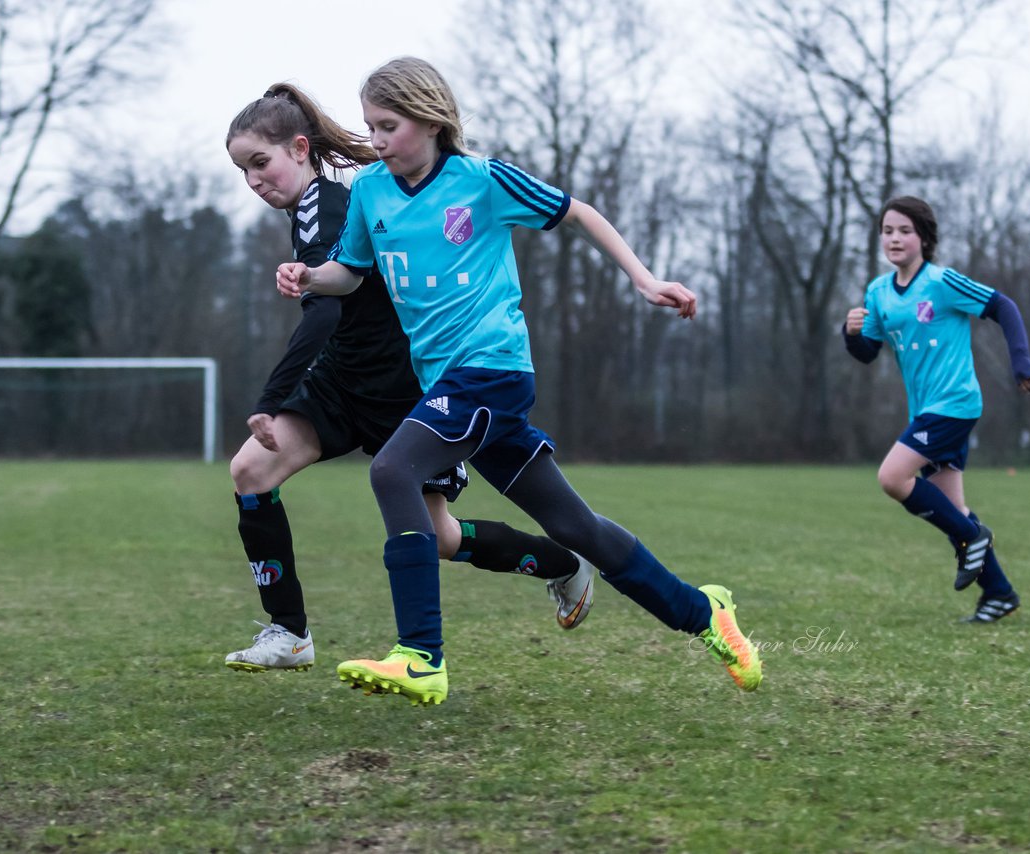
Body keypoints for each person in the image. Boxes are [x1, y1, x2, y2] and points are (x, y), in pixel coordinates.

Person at [276, 57, 762, 705]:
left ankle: (421, 655)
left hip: (492, 368)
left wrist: (644, 280)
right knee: (576, 525)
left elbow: (578, 212)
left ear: (430, 118)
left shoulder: (481, 182)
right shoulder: (370, 192)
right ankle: (705, 615)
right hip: (444, 384)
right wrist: (311, 276)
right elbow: (351, 270)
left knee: (393, 471)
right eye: (371, 126)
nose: (379, 139)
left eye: (389, 125)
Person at [222, 84, 595, 673]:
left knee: (441, 537)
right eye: (243, 170)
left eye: (260, 163)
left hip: (405, 389)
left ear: (299, 149)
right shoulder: (308, 211)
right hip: (343, 383)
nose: (253, 180)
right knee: (251, 470)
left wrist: (271, 398)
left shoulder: (337, 204)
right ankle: (289, 633)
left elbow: (326, 309)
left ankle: (563, 563)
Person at [842, 195, 1030, 623]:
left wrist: (1021, 362)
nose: (894, 238)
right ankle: (999, 593)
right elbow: (867, 353)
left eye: (904, 231)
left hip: (956, 404)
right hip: (925, 410)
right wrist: (850, 332)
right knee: (954, 510)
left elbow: (1004, 306)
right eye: (888, 231)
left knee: (893, 477)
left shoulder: (943, 282)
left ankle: (973, 537)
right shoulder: (878, 292)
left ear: (924, 238)